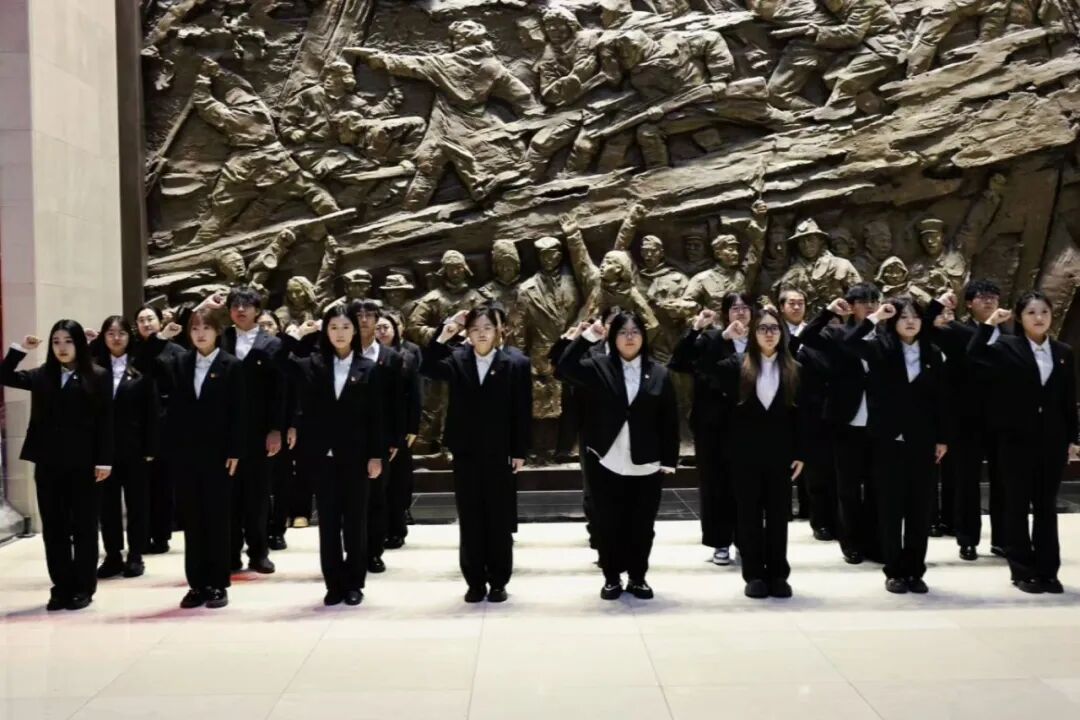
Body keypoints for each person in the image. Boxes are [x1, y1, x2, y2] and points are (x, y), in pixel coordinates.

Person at [557, 311, 679, 601]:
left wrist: (669, 460)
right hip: (605, 458)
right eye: (623, 332)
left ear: (644, 337)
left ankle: (638, 577)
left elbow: (669, 420)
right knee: (607, 522)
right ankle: (612, 577)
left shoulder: (659, 373)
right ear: (613, 337)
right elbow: (564, 368)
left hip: (646, 461)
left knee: (642, 525)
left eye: (635, 331)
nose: (629, 337)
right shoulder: (598, 366)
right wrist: (587, 338)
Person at [966, 292, 1079, 594]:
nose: (1039, 318)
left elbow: (1068, 398)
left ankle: (1048, 571)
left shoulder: (1063, 351)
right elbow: (973, 355)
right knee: (1016, 505)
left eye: (1044, 312)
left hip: (1052, 440)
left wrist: (1073, 438)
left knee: (1046, 507)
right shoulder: (1007, 347)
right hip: (1014, 439)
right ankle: (1022, 570)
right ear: (1019, 317)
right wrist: (990, 324)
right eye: (1031, 312)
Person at [421, 306, 531, 603]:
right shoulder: (457, 358)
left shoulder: (516, 362)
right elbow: (427, 367)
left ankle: (498, 581)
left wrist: (519, 450)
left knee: (499, 517)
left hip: (501, 450)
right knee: (470, 517)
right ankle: (475, 581)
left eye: (487, 328)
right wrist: (446, 330)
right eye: (475, 328)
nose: (481, 334)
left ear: (498, 330)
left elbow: (522, 409)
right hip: (466, 449)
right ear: (467, 333)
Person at [839, 298, 950, 594]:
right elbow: (849, 343)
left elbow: (942, 399)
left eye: (916, 316)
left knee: (920, 509)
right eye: (903, 317)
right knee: (890, 508)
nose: (910, 321)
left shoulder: (932, 353)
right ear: (893, 321)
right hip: (887, 440)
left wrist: (942, 438)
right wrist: (874, 317)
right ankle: (894, 571)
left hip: (923, 441)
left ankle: (915, 570)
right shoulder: (880, 348)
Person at [1, 321, 113, 611]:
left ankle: (83, 587)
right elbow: (4, 375)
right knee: (54, 527)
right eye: (56, 342)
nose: (62, 347)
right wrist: (20, 350)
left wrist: (104, 460)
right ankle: (61, 586)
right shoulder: (42, 375)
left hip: (86, 465)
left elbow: (105, 420)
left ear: (79, 344)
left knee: (85, 527)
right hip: (49, 464)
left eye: (68, 341)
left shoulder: (98, 375)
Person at [700, 307, 806, 599]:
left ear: (781, 333)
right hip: (743, 455)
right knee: (748, 516)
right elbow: (701, 366)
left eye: (774, 328)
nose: (769, 334)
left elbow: (803, 415)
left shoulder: (794, 368)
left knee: (778, 516)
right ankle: (754, 574)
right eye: (762, 328)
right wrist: (721, 336)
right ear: (753, 333)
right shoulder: (737, 365)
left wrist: (801, 452)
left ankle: (778, 574)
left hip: (781, 455)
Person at [288, 306, 385, 606]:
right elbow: (284, 365)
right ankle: (333, 583)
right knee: (328, 522)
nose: (339, 333)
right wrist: (299, 337)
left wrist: (376, 455)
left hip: (356, 455)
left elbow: (376, 417)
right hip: (322, 455)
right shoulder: (313, 364)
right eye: (333, 328)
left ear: (354, 331)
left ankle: (354, 582)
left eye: (345, 327)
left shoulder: (368, 368)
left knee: (355, 521)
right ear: (325, 332)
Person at [156, 309, 246, 609]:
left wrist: (235, 450)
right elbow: (153, 376)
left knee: (217, 519)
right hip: (185, 454)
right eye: (195, 328)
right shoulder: (180, 362)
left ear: (217, 331)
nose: (200, 333)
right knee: (192, 520)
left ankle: (218, 583)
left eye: (207, 327)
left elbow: (239, 411)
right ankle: (196, 584)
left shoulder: (231, 365)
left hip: (219, 455)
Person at [923, 280, 1009, 560]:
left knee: (1004, 481)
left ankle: (1003, 540)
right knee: (967, 481)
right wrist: (938, 304)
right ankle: (967, 539)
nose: (989, 301)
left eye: (993, 296)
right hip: (966, 417)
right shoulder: (956, 330)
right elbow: (926, 328)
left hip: (1002, 418)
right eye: (982, 297)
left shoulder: (1010, 332)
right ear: (969, 303)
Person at [800, 283, 883, 565]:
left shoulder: (886, 334)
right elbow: (807, 337)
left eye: (874, 301)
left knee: (876, 487)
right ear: (851, 306)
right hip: (845, 420)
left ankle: (874, 542)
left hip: (879, 422)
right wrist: (827, 313)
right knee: (847, 488)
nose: (870, 306)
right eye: (863, 301)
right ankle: (851, 543)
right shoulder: (837, 333)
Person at [668, 292, 753, 567]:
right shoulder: (712, 338)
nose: (740, 312)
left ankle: (747, 541)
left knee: (748, 486)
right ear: (726, 312)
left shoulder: (760, 338)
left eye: (745, 307)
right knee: (715, 486)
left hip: (750, 424)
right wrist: (700, 330)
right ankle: (720, 542)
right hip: (713, 425)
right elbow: (679, 362)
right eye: (734, 308)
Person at [218, 287, 287, 574]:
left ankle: (259, 552)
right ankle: (230, 553)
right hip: (226, 431)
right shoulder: (221, 339)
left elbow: (280, 392)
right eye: (235, 305)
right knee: (228, 495)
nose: (240, 310)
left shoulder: (273, 344)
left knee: (257, 496)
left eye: (246, 305)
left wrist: (276, 429)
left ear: (257, 310)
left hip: (260, 431)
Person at [92, 316, 159, 580]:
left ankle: (136, 555)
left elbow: (152, 411)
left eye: (121, 333)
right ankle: (112, 555)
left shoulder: (142, 367)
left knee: (137, 504)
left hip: (135, 448)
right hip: (103, 450)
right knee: (106, 506)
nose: (116, 338)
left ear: (129, 337)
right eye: (110, 333)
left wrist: (151, 447)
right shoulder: (94, 367)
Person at [350, 299, 406, 574]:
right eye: (358, 315)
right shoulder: (340, 353)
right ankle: (353, 551)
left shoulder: (390, 357)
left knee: (376, 497)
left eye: (369, 315)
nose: (363, 320)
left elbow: (398, 401)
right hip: (348, 435)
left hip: (380, 436)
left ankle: (373, 552)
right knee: (349, 499)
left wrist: (395, 438)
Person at [132, 305, 185, 555]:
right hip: (137, 424)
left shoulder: (176, 350)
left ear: (160, 321)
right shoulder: (133, 350)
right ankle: (141, 536)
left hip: (166, 423)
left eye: (150, 318)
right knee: (140, 485)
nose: (146, 323)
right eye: (141, 320)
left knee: (163, 483)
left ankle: (161, 535)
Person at [375, 312, 422, 549]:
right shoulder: (367, 355)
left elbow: (415, 394)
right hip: (375, 426)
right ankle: (378, 529)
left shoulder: (407, 356)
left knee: (398, 481)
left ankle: (397, 528)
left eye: (386, 327)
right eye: (378, 327)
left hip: (400, 426)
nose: (382, 331)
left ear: (396, 329)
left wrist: (412, 427)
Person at [256, 310, 294, 552]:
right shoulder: (250, 354)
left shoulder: (286, 355)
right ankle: (260, 528)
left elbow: (294, 394)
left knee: (281, 481)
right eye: (260, 325)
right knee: (258, 483)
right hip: (255, 427)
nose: (265, 329)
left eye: (269, 324)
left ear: (278, 328)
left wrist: (292, 426)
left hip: (282, 425)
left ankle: (278, 529)